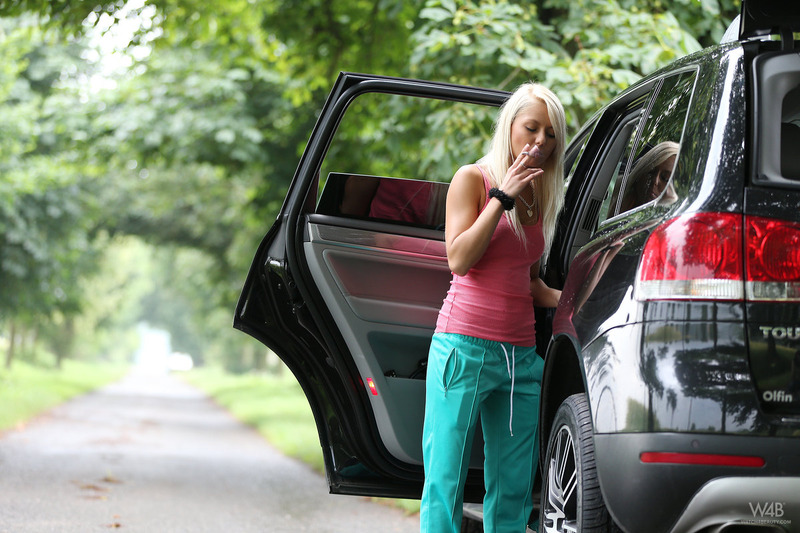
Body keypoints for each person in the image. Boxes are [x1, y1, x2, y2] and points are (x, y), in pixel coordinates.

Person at [420, 82, 565, 533]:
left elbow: (529, 283)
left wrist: (585, 300)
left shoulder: (540, 195)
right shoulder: (472, 179)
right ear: (510, 126)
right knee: (444, 480)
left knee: (514, 488)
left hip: (519, 358)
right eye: (531, 128)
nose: (540, 141)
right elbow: (459, 259)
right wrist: (501, 196)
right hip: (462, 349)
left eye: (550, 133)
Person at [619, 141, 679, 213]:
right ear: (641, 170)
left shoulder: (670, 222)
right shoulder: (613, 191)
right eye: (651, 171)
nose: (655, 181)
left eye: (666, 178)